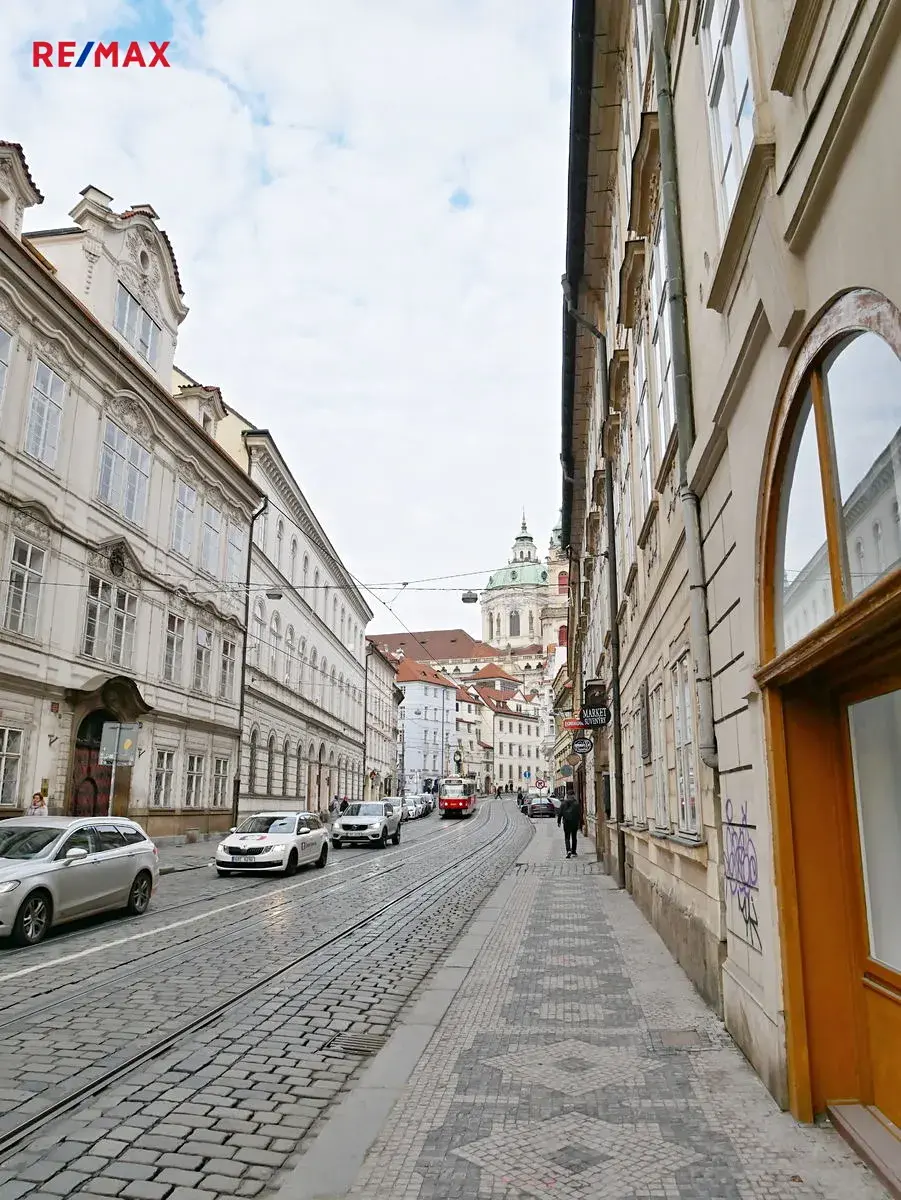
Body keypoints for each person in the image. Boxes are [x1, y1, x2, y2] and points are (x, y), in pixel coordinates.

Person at [558, 789, 581, 858]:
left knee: (567, 837)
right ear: (573, 795)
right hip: (574, 823)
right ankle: (573, 851)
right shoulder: (576, 803)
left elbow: (560, 813)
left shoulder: (563, 803)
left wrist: (559, 821)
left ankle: (568, 850)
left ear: (567, 795)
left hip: (566, 822)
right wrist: (580, 822)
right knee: (574, 837)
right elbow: (579, 814)